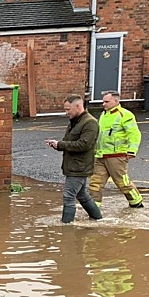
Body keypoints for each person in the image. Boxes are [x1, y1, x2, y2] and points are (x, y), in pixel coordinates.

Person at [45, 95, 103, 223]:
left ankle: (66, 226)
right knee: (82, 195)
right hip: (73, 165)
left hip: (79, 167)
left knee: (69, 196)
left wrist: (61, 144)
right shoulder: (75, 121)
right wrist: (57, 145)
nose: (66, 113)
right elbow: (69, 142)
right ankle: (97, 219)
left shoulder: (90, 123)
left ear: (78, 106)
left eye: (68, 109)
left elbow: (84, 144)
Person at [89, 90, 144, 208]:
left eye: (106, 102)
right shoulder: (104, 114)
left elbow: (134, 134)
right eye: (103, 101)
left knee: (123, 183)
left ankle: (136, 203)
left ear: (116, 101)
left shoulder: (125, 115)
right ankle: (94, 209)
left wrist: (132, 151)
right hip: (101, 156)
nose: (103, 104)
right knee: (95, 183)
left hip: (117, 156)